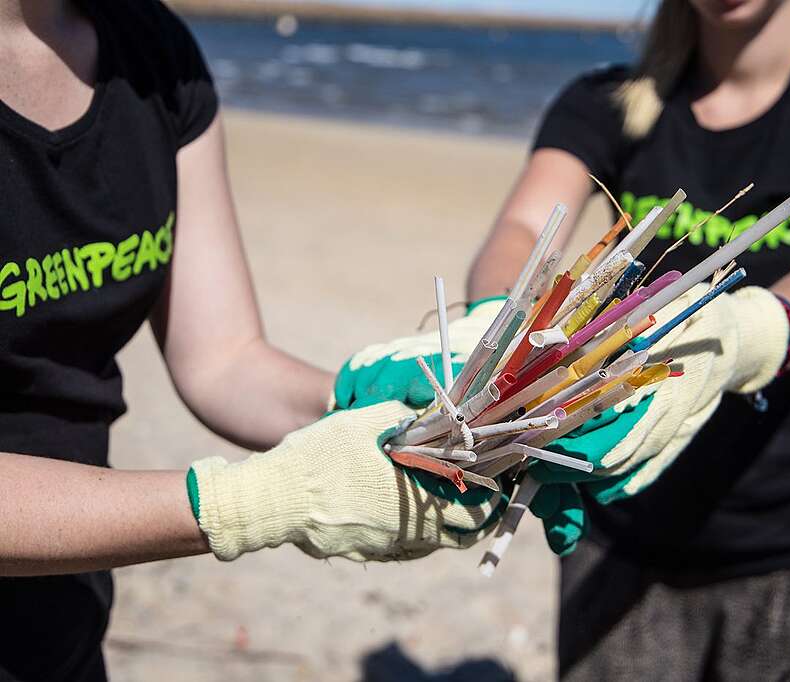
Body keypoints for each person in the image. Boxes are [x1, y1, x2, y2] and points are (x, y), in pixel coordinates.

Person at [0, 2, 499, 680]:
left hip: (62, 625)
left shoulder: (157, 57)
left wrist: (366, 406)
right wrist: (249, 503)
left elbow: (223, 359)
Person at [465, 0, 790, 679]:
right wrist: (496, 331)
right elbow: (523, 230)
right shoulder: (606, 102)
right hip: (619, 531)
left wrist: (744, 333)